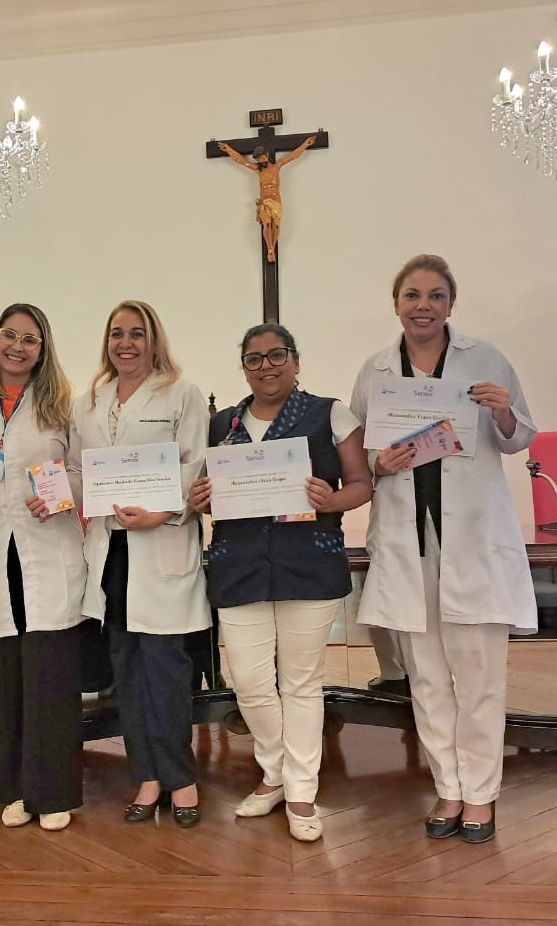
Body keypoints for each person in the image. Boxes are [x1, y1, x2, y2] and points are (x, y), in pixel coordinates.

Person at [349, 254, 537, 845]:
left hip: (472, 537)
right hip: (410, 540)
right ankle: (448, 787)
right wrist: (380, 464)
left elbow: (520, 438)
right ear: (396, 304)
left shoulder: (486, 358)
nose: (423, 306)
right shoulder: (376, 370)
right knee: (426, 676)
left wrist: (502, 410)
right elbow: (362, 455)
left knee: (478, 674)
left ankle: (480, 792)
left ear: (451, 303)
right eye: (412, 295)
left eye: (435, 295)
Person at [188, 323, 372, 842]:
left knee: (301, 683)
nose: (266, 366)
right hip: (239, 564)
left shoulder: (330, 413)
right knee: (248, 682)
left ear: (295, 360)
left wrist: (331, 500)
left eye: (276, 355)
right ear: (243, 368)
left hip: (307, 563)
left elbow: (361, 484)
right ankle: (274, 772)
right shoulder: (221, 424)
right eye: (254, 359)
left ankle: (300, 790)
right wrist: (199, 499)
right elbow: (207, 492)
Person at [71, 299, 210, 828]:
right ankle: (147, 775)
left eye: (136, 333)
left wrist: (162, 514)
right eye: (117, 334)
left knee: (166, 671)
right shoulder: (88, 401)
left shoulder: (181, 394)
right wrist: (54, 491)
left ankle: (181, 778)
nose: (125, 343)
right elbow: (78, 470)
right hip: (111, 554)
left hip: (161, 545)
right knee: (126, 672)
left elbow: (194, 466)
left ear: (154, 341)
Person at [0, 303, 86, 832]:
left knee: (49, 675)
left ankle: (50, 793)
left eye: (30, 339)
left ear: (42, 349)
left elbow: (84, 472)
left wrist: (60, 493)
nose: (18, 346)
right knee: (0, 674)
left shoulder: (64, 405)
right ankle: (11, 788)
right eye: (10, 335)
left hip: (47, 551)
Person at [216, 136, 316, 262]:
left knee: (276, 226)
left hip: (276, 200)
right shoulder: (259, 170)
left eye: (261, 157)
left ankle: (272, 247)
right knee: (267, 224)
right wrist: (229, 150)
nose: (260, 160)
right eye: (258, 159)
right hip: (265, 201)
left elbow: (293, 156)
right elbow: (241, 160)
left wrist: (305, 144)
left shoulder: (277, 166)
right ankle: (270, 249)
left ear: (267, 155)